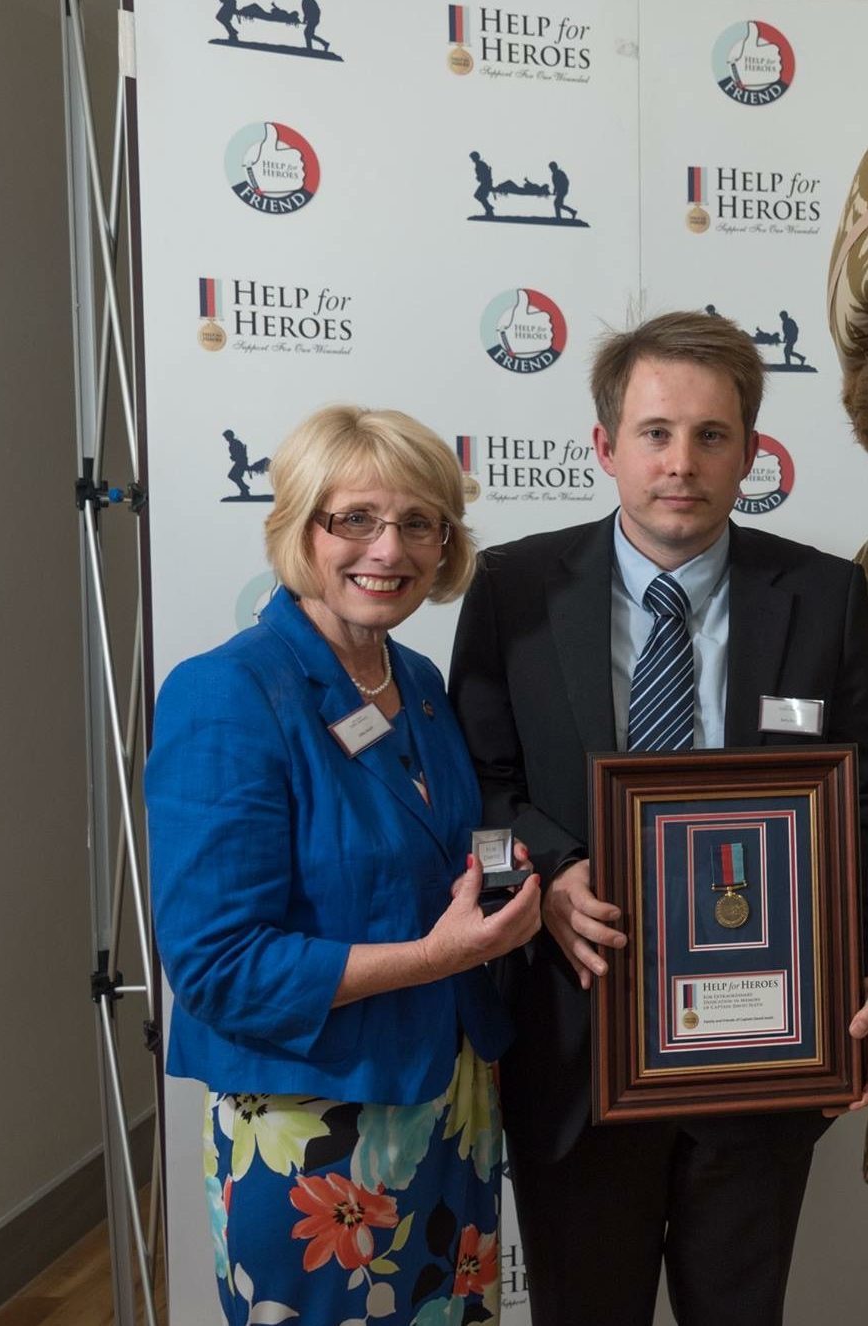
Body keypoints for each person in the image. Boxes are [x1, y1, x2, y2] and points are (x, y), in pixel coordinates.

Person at [448, 311, 868, 1326]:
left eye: (712, 436)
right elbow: (475, 797)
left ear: (750, 452)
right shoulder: (513, 592)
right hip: (575, 1040)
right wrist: (542, 873)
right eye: (655, 433)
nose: (682, 463)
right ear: (605, 447)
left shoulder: (824, 597)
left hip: (762, 1051)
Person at [148, 406, 543, 1325]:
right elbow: (218, 968)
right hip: (315, 1140)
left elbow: (432, 856)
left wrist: (506, 868)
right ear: (300, 530)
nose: (389, 547)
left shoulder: (420, 686)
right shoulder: (230, 692)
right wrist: (437, 956)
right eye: (355, 518)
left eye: (418, 523)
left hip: (450, 1113)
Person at [471, 150, 495, 218]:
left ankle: (489, 209)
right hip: (485, 183)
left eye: (472, 158)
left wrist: (479, 178)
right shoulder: (480, 164)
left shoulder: (480, 164)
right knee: (480, 196)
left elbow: (485, 175)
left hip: (486, 183)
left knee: (478, 195)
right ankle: (489, 209)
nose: (472, 159)